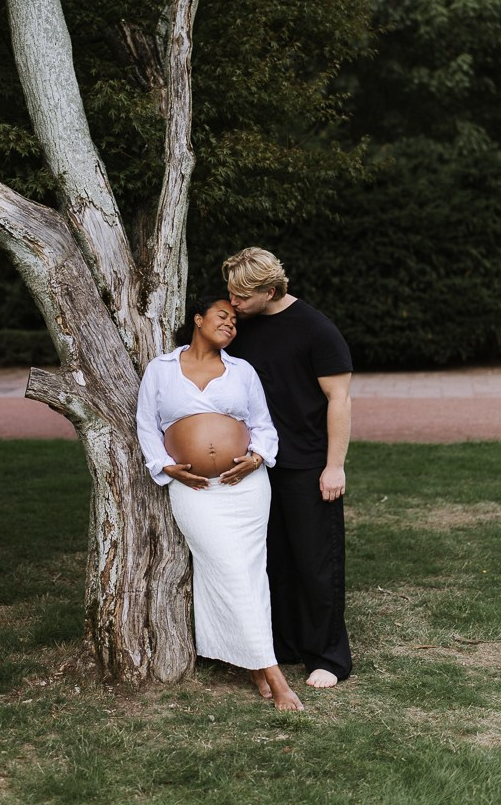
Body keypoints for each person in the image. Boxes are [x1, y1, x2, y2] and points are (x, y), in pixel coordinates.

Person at [136, 295, 304, 711]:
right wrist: (165, 466)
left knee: (249, 573)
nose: (231, 325)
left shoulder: (241, 371)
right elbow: (145, 426)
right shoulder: (160, 370)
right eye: (222, 317)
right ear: (198, 319)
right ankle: (274, 674)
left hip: (247, 488)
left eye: (235, 322)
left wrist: (257, 458)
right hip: (196, 492)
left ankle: (256, 663)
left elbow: (263, 425)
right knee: (227, 569)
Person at [222, 247, 353, 689]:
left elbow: (339, 400)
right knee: (271, 560)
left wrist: (334, 466)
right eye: (230, 294)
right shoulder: (241, 328)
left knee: (316, 561)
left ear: (271, 290)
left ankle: (328, 657)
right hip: (256, 462)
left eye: (242, 296)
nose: (233, 304)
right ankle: (283, 645)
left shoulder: (317, 330)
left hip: (307, 462)